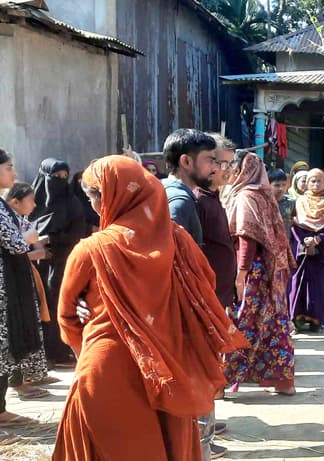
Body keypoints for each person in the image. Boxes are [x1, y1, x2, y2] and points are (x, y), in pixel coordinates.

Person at [53, 155, 247, 461]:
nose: (92, 205)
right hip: (170, 370)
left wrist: (85, 344)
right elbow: (203, 290)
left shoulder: (91, 250)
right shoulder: (179, 242)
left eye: (92, 197)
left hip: (106, 370)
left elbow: (66, 317)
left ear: (109, 198)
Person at [222, 152, 297, 396]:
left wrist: (240, 275)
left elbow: (247, 238)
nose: (229, 170)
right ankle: (283, 381)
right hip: (268, 271)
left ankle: (221, 382)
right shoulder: (263, 194)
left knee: (240, 324)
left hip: (252, 272)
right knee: (274, 324)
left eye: (233, 165)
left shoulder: (246, 196)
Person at [0, 152, 51, 434]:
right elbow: (16, 243)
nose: (14, 172)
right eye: (9, 167)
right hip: (4, 287)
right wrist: (30, 240)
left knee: (7, 348)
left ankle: (3, 409)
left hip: (10, 285)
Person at [194, 133, 238, 459]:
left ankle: (206, 430)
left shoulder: (212, 197)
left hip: (217, 295)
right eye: (221, 163)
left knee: (212, 366)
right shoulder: (192, 202)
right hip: (203, 299)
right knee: (203, 367)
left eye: (229, 163)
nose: (227, 170)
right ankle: (201, 437)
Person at [29, 158, 87, 368]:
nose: (61, 181)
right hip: (36, 266)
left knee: (57, 303)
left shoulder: (72, 204)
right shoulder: (33, 202)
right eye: (55, 177)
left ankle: (60, 350)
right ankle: (41, 355)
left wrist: (50, 240)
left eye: (65, 177)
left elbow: (78, 233)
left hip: (62, 264)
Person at [5, 182, 57, 400]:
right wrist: (29, 245)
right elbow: (24, 251)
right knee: (14, 329)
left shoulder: (21, 222)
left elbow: (38, 250)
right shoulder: (6, 221)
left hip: (25, 278)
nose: (35, 205)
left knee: (28, 327)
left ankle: (26, 380)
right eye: (31, 200)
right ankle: (18, 384)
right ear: (15, 201)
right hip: (11, 282)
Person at [290, 169, 324, 333]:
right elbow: (295, 223)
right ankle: (297, 318)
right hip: (302, 247)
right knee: (299, 281)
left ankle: (316, 320)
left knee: (319, 284)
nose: (315, 184)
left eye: (319, 181)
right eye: (312, 181)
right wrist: (306, 242)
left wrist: (318, 239)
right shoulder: (300, 202)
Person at [162, 129, 218, 245]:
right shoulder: (180, 202)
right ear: (186, 161)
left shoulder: (161, 189)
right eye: (210, 160)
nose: (215, 168)